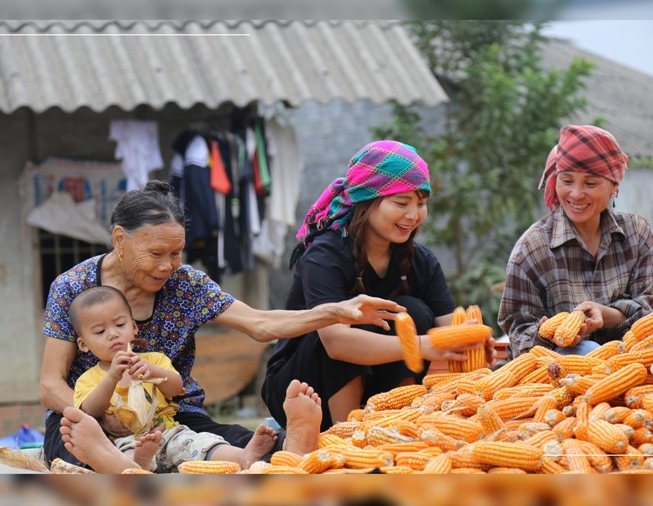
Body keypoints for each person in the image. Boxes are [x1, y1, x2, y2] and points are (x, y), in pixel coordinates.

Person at [39, 180, 406, 468]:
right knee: (74, 453)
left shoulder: (186, 283)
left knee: (247, 447)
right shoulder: (73, 288)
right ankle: (107, 457)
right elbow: (50, 383)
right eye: (155, 254)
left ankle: (287, 445)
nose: (168, 265)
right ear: (120, 239)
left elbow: (259, 323)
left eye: (176, 252)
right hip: (85, 415)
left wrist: (336, 311)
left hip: (171, 418)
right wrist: (98, 416)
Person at [261, 140, 494, 431]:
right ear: (367, 201)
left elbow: (448, 331)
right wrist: (422, 345)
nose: (413, 215)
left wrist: (472, 344)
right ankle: (345, 434)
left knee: (413, 312)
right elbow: (336, 343)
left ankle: (398, 424)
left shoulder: (421, 261)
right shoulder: (325, 254)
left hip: (376, 384)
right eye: (401, 203)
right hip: (299, 388)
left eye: (421, 204)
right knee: (352, 316)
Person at [67, 285, 322, 473]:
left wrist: (154, 372)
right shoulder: (90, 379)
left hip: (169, 432)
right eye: (100, 331)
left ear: (134, 328)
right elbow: (90, 411)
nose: (113, 335)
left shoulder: (153, 359)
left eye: (120, 325)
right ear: (83, 344)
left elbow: (176, 387)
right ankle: (139, 466)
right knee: (124, 457)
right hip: (123, 442)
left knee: (203, 444)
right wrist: (112, 377)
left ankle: (244, 455)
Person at [497, 125, 653, 359]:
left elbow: (652, 314)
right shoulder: (532, 249)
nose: (576, 194)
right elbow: (519, 335)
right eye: (566, 181)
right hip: (559, 378)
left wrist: (605, 315)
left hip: (634, 364)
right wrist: (553, 332)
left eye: (590, 183)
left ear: (614, 186)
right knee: (586, 350)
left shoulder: (637, 235)